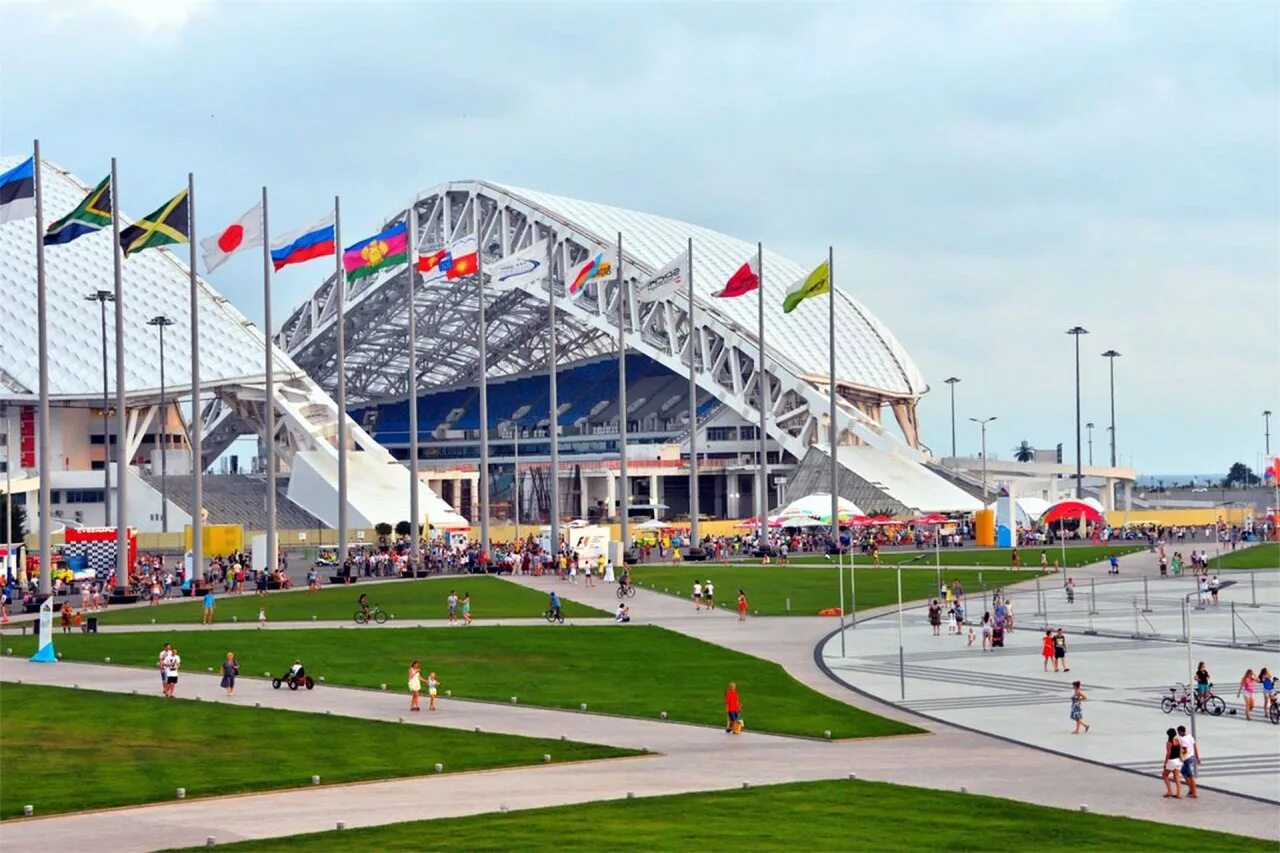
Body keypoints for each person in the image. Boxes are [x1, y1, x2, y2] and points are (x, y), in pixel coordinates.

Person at [1176, 725, 1199, 798]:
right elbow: (1195, 747)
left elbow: (1184, 750)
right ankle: (1191, 788)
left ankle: (1194, 792)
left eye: (1178, 732)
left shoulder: (1183, 739)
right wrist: (1197, 757)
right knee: (1183, 771)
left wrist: (1181, 758)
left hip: (1187, 759)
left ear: (1181, 731)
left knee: (1190, 775)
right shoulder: (1190, 737)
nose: (1178, 734)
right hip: (1192, 757)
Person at [1162, 727, 1183, 798]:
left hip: (1171, 761)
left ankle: (1169, 791)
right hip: (1178, 760)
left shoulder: (1169, 743)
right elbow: (1181, 750)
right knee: (1177, 777)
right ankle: (1179, 793)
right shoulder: (1177, 740)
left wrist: (1165, 763)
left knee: (1165, 775)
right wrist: (1182, 759)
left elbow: (1168, 753)